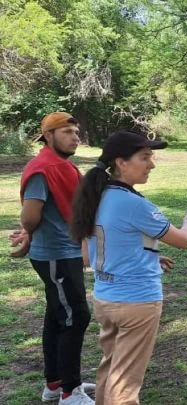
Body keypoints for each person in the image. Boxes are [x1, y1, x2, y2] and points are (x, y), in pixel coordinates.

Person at [69, 130, 187, 405]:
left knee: (111, 368)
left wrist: (150, 256)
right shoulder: (134, 204)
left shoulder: (96, 196)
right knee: (126, 385)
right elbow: (183, 241)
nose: (151, 165)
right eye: (145, 158)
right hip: (137, 302)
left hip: (105, 299)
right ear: (121, 162)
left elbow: (94, 250)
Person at [11, 112, 96, 404]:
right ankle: (71, 392)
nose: (75, 136)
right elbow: (30, 215)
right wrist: (26, 232)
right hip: (54, 255)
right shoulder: (42, 168)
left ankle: (55, 383)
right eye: (67, 132)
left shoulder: (61, 165)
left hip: (65, 251)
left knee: (58, 316)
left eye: (76, 131)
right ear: (48, 135)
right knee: (76, 316)